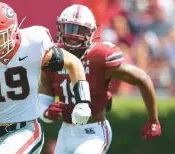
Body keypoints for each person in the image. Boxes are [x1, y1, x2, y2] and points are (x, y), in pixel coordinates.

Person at [0, 2, 92, 154]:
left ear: (12, 31)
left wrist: (82, 101)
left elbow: (73, 63)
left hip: (26, 129)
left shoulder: (33, 44)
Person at [39, 4, 162, 154]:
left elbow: (142, 78)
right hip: (65, 132)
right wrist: (46, 113)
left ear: (90, 32)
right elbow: (43, 98)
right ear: (60, 27)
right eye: (69, 28)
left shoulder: (99, 56)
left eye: (79, 30)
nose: (73, 35)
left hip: (93, 132)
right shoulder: (53, 57)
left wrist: (153, 119)